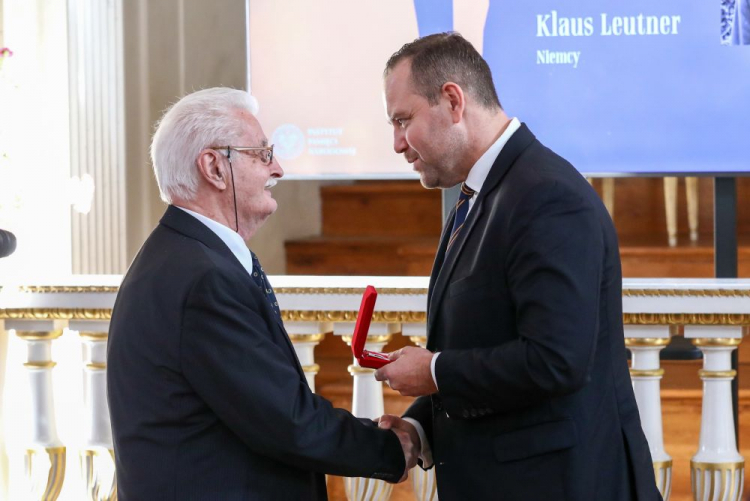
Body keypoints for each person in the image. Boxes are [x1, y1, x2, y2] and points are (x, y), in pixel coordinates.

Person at [374, 33, 661, 500]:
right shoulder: (483, 194)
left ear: (452, 100)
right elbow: (483, 344)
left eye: (403, 120)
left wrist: (436, 372)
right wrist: (418, 429)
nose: (397, 143)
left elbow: (555, 361)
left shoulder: (546, 196)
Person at [106, 87, 416, 500]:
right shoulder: (202, 279)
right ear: (215, 167)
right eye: (263, 154)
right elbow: (288, 421)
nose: (279, 169)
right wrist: (396, 446)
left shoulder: (187, 258)